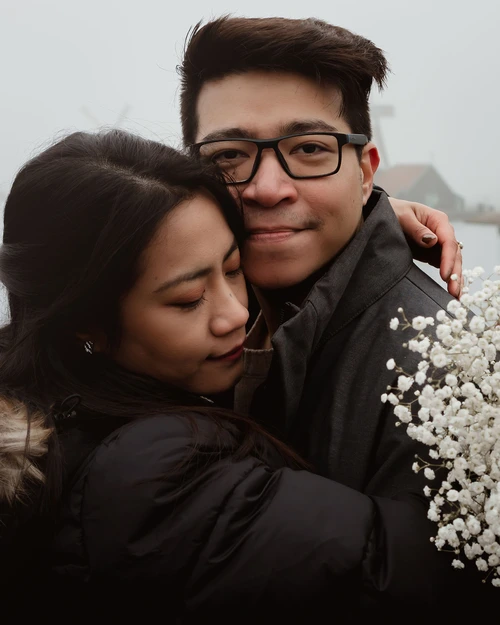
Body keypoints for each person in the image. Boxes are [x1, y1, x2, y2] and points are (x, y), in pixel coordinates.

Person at [0, 128, 462, 622]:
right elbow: (422, 571)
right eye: (187, 299)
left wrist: (349, 227)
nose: (235, 315)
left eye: (235, 267)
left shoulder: (42, 396)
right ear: (84, 322)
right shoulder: (157, 484)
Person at [177, 16, 461, 495]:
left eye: (310, 148)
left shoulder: (443, 381)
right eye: (228, 155)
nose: (267, 190)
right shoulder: (187, 320)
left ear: (365, 173)